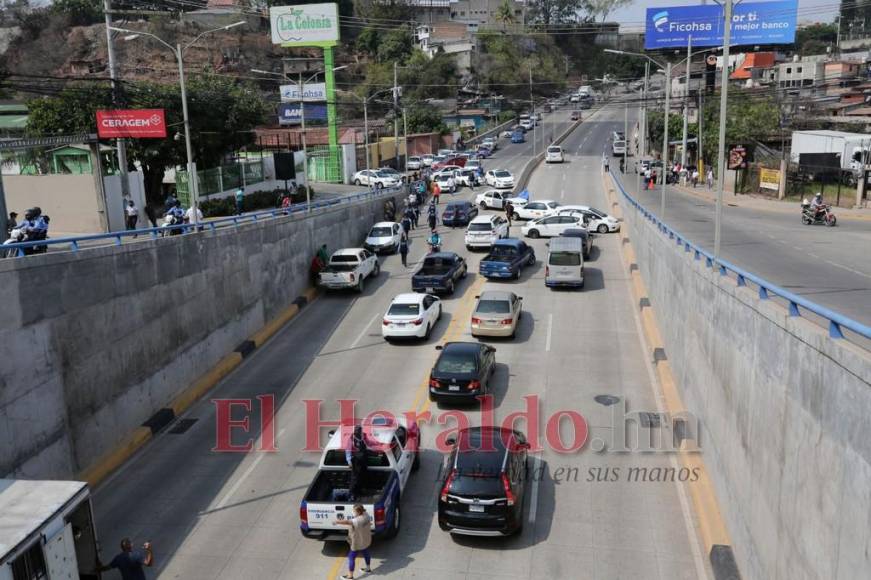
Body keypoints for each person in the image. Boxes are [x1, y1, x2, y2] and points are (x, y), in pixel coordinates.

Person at [333, 504, 373, 580]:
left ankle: (350, 576)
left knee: (351, 557)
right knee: (366, 552)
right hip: (366, 540)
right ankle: (368, 568)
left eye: (354, 510)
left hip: (357, 542)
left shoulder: (357, 521)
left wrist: (336, 521)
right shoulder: (366, 515)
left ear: (358, 512)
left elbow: (347, 522)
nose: (353, 512)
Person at [345, 426, 367, 501]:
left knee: (362, 476)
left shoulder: (363, 436)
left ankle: (359, 491)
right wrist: (349, 462)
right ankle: (351, 494)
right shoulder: (352, 439)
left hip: (363, 459)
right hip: (356, 460)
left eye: (360, 431)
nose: (359, 433)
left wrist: (378, 443)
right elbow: (348, 450)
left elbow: (369, 442)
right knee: (355, 478)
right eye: (358, 432)